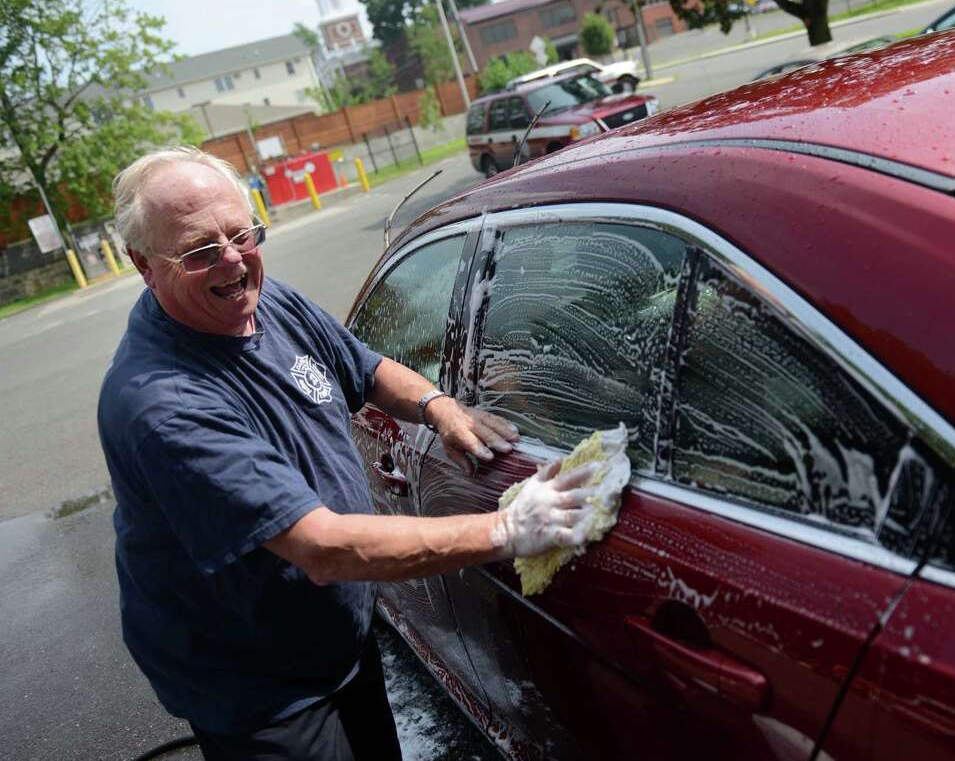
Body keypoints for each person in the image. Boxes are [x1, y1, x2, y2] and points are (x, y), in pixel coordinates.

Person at [97, 146, 596, 760]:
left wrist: (439, 406)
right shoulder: (162, 404)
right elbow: (322, 547)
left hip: (333, 635)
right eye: (200, 251)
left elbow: (367, 367)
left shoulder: (263, 299)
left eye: (243, 234)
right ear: (144, 265)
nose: (233, 261)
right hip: (255, 685)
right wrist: (509, 528)